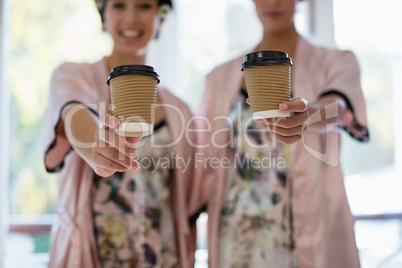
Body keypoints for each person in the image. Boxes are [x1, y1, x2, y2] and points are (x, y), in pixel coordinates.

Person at [193, 0, 369, 267]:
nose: (273, 1)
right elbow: (204, 161)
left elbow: (338, 105)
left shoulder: (336, 62)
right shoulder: (219, 78)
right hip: (236, 240)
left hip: (305, 237)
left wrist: (310, 114)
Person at [42, 0, 196, 267]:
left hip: (163, 258)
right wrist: (94, 146)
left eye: (145, 6)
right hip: (93, 257)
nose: (131, 17)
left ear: (161, 16)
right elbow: (73, 111)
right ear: (104, 15)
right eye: (119, 5)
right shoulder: (73, 76)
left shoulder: (180, 109)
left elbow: (189, 209)